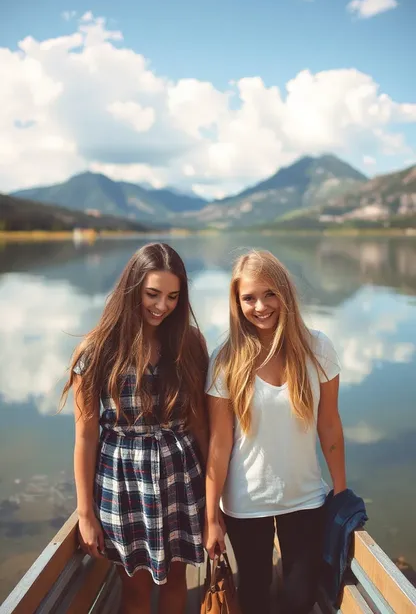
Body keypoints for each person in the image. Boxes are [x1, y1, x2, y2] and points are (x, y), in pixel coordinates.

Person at [60, 242, 209, 614]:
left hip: (182, 475)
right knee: (136, 590)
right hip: (123, 480)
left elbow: (200, 422)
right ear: (132, 289)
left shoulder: (189, 342)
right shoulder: (97, 352)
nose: (163, 306)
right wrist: (85, 514)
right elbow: (86, 436)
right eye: (153, 294)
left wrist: (216, 494)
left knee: (177, 579)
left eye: (173, 296)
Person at [204, 250, 346, 614]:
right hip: (244, 502)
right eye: (248, 298)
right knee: (253, 592)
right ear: (237, 303)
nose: (260, 306)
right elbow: (219, 444)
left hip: (305, 498)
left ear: (285, 292)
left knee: (300, 598)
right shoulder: (227, 359)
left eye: (269, 294)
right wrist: (211, 516)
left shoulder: (318, 348)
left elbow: (329, 422)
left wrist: (341, 491)